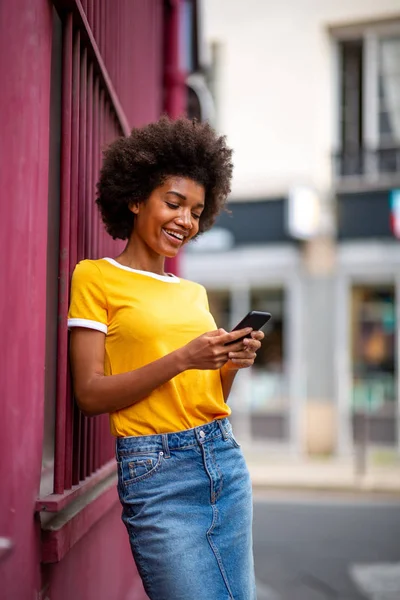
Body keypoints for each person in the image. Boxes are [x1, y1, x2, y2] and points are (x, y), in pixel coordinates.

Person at [68, 116, 264, 600]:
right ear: (136, 199)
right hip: (157, 475)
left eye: (196, 211)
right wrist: (182, 358)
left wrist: (229, 365)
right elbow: (89, 394)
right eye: (173, 203)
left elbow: (205, 394)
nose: (185, 221)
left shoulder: (193, 292)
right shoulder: (96, 277)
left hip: (222, 457)